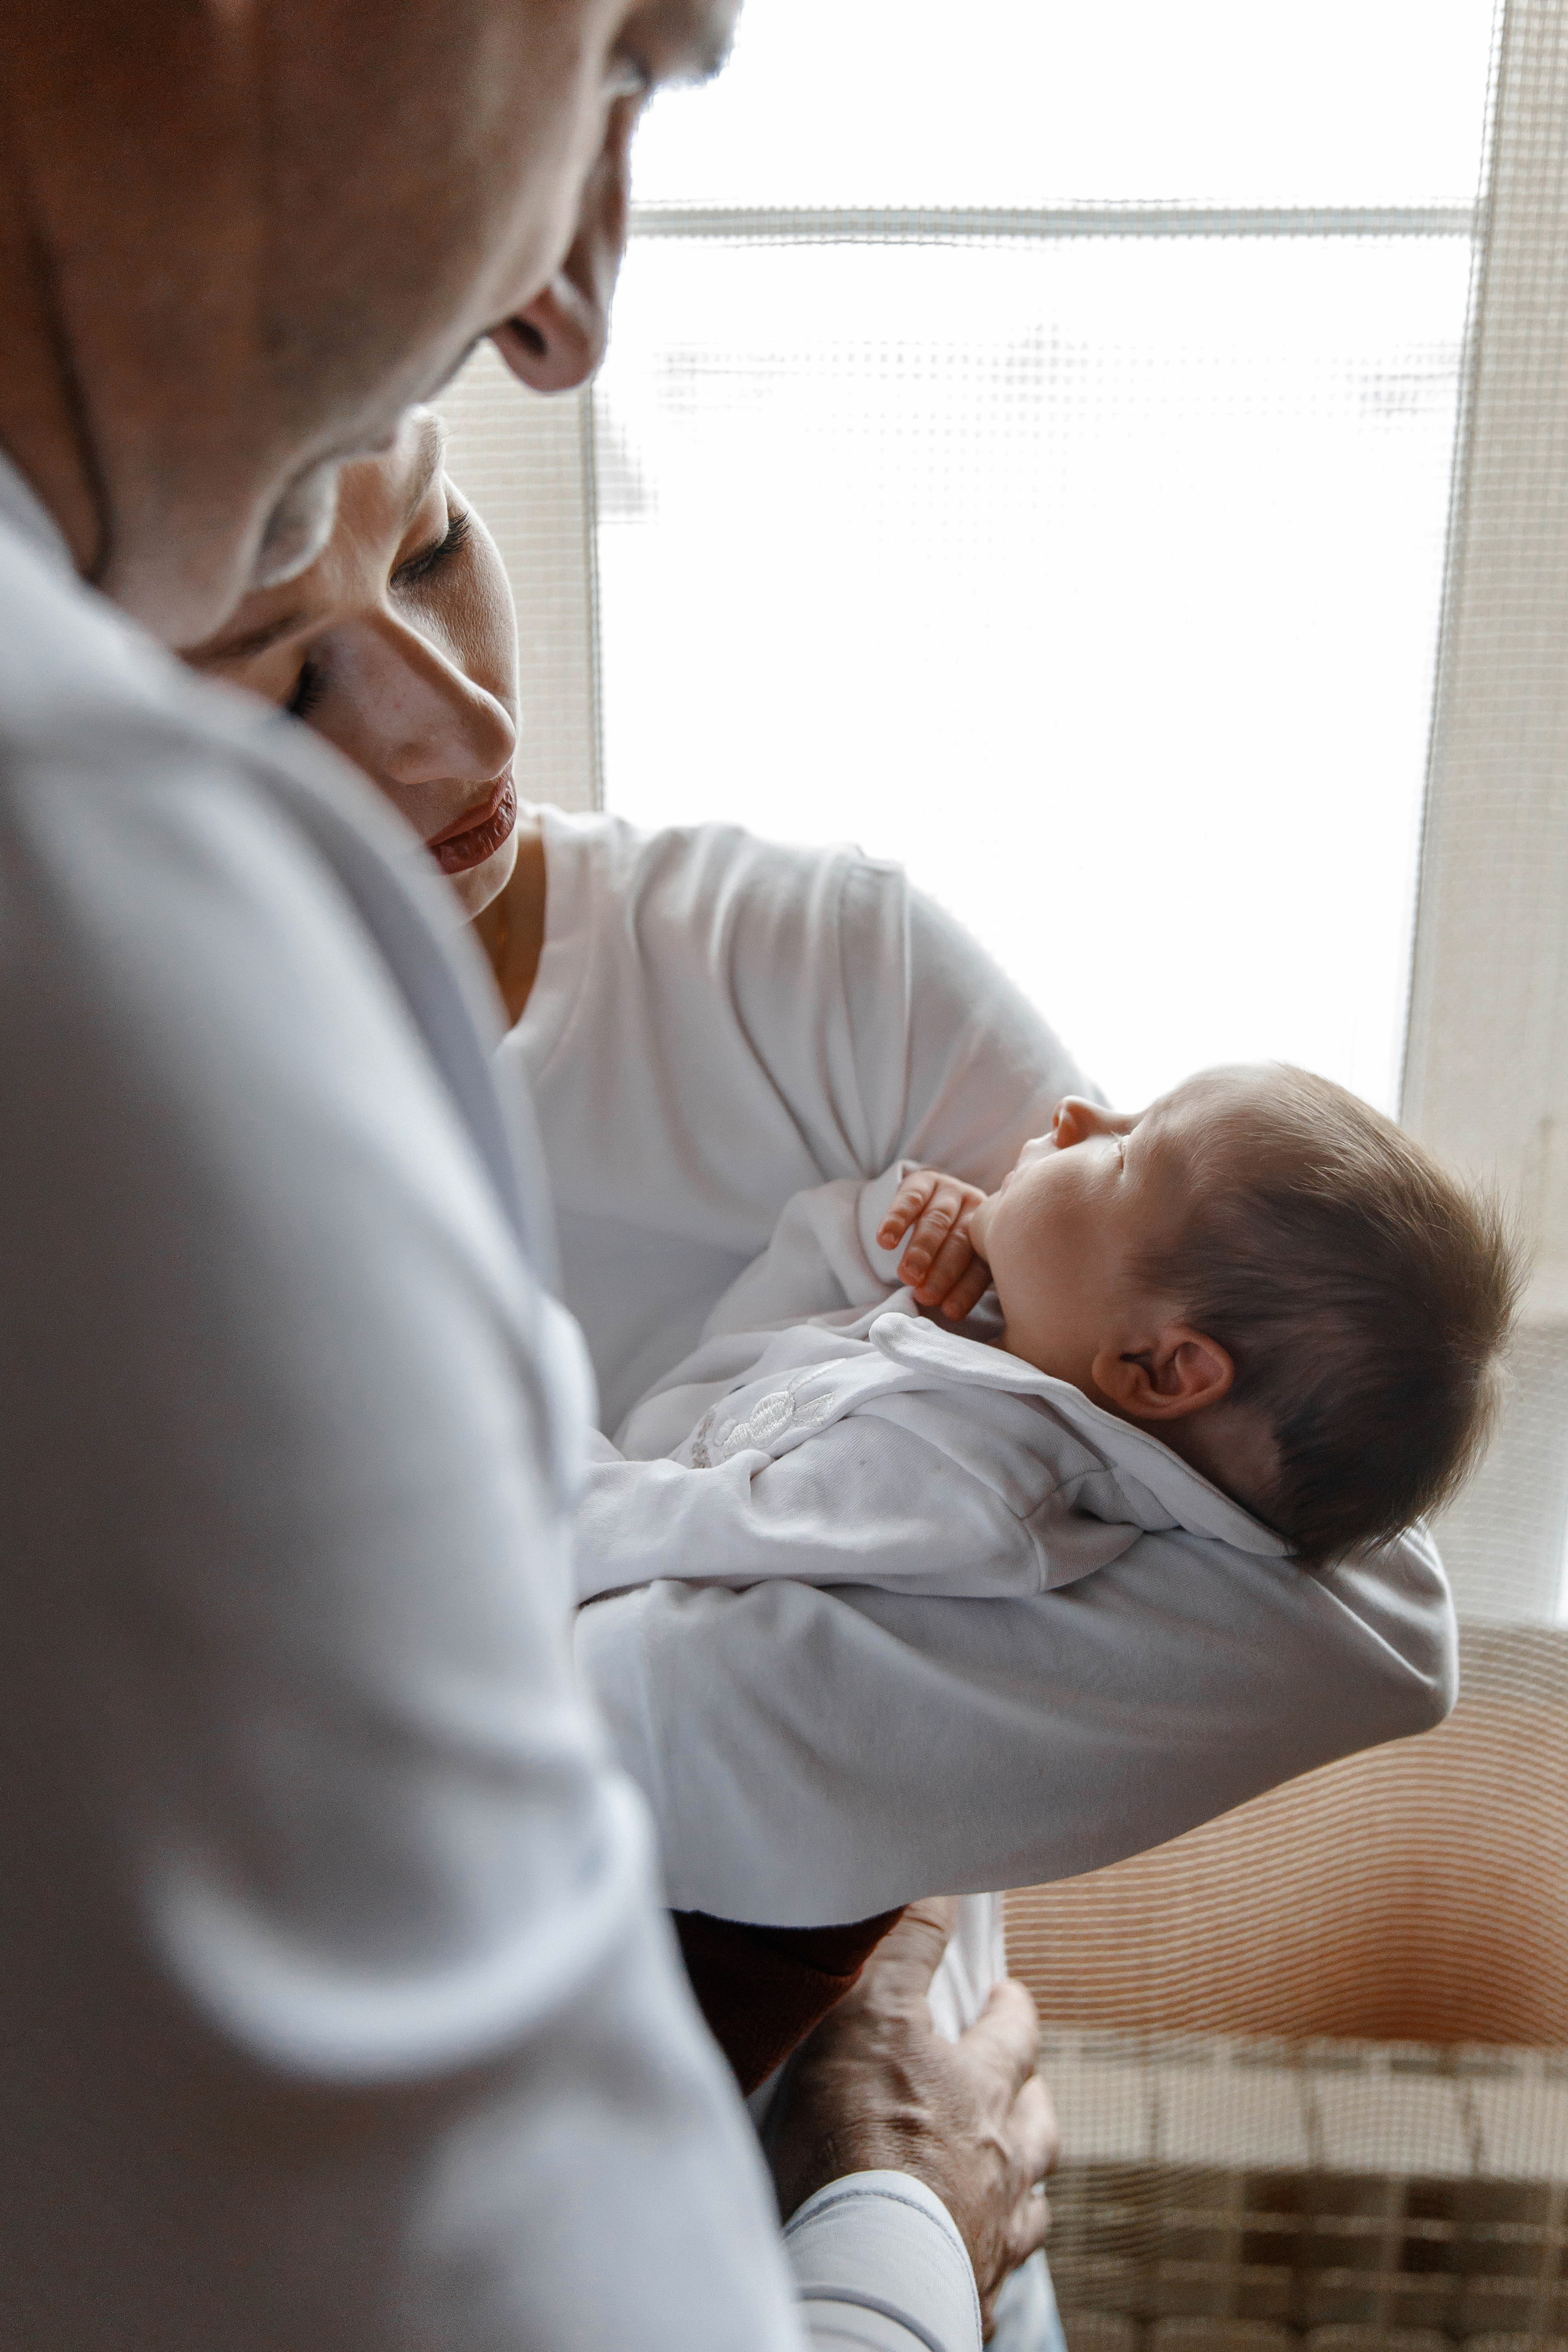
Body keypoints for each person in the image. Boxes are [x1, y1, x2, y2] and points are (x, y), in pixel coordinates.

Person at [0, 8, 1060, 2346]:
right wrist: (897, 2232)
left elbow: (1303, 1559)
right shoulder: (99, 920)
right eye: (619, 59)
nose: (568, 314)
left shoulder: (816, 958)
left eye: (449, 541)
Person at [578, 1063, 1515, 1604]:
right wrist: (883, 1231)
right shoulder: (1014, 1347)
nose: (1076, 1115)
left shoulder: (977, 1490)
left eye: (1124, 1151)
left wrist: (551, 1489)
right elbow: (748, 1353)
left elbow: (700, 1544)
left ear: (1159, 1366)